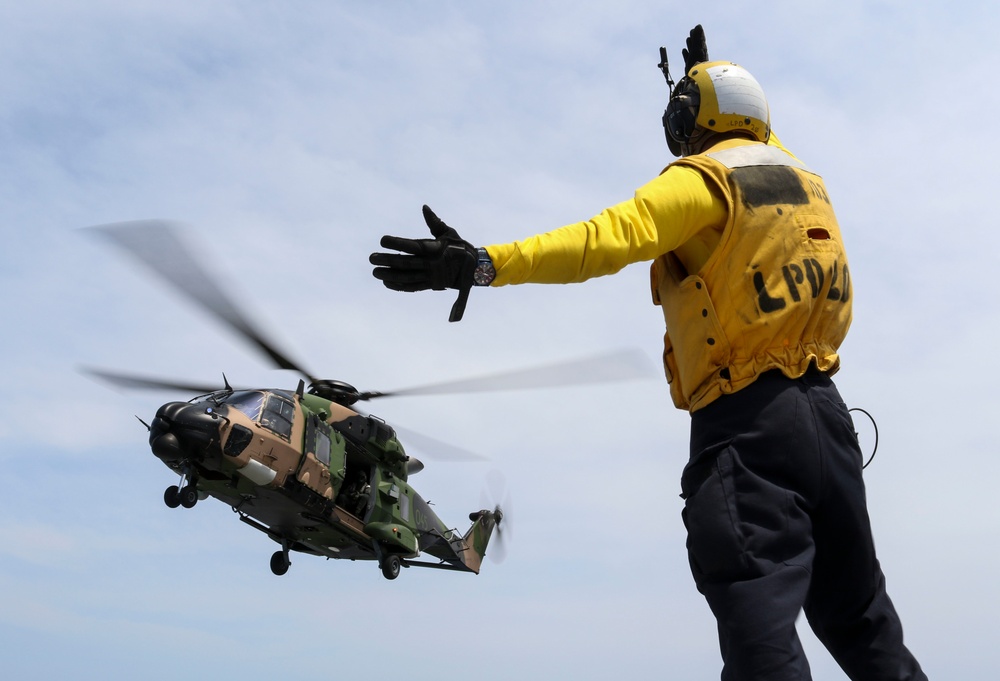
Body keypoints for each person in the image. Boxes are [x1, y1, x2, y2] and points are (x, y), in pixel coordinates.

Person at [370, 25, 926, 681]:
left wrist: (485, 264)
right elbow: (753, 132)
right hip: (829, 425)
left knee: (757, 622)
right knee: (861, 622)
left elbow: (604, 238)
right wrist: (710, 79)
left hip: (749, 430)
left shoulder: (699, 184)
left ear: (692, 122)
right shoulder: (802, 177)